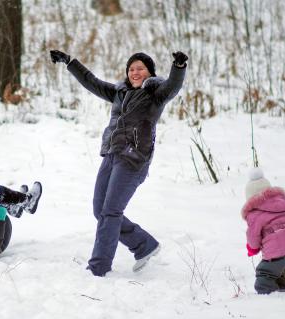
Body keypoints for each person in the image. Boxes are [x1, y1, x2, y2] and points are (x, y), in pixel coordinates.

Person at [50, 49, 188, 276]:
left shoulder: (156, 93)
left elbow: (173, 85)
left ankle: (99, 267)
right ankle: (144, 245)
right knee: (100, 210)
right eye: (131, 69)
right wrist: (70, 62)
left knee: (111, 211)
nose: (135, 72)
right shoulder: (119, 92)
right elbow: (91, 82)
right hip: (112, 154)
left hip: (134, 159)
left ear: (149, 72)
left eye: (140, 68)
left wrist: (179, 67)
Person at [241, 167, 285, 294]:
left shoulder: (254, 214)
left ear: (250, 198)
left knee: (265, 274)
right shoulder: (282, 204)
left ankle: (267, 301)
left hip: (278, 249)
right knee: (284, 276)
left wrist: (252, 249)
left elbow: (253, 238)